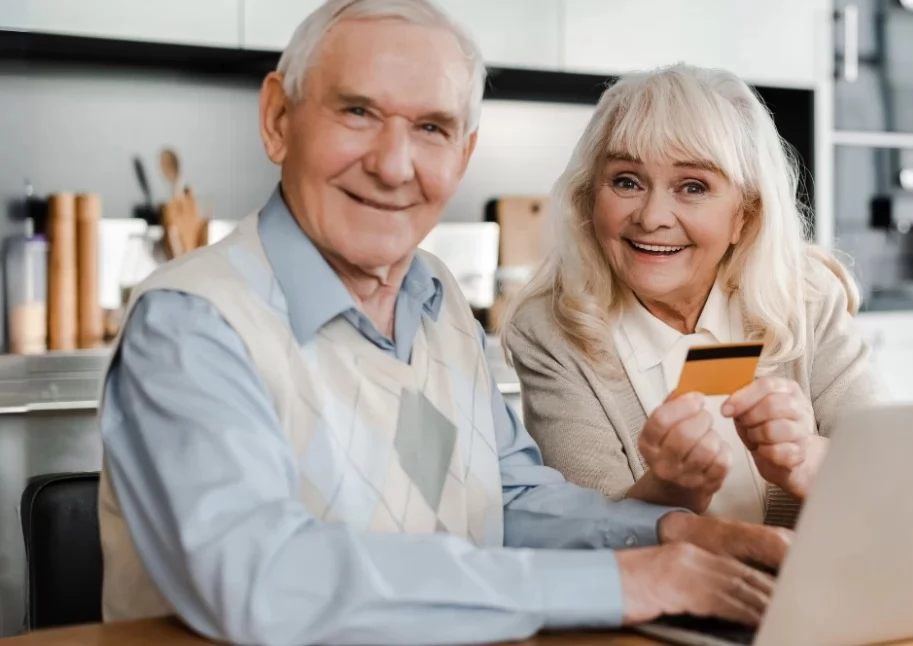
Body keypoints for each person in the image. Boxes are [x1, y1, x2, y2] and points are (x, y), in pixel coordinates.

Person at [96, 2, 791, 645]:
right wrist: (625, 579)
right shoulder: (192, 323)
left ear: (463, 152)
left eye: (431, 128)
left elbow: (509, 500)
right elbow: (263, 577)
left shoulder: (436, 298)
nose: (395, 165)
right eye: (358, 113)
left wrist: (670, 533)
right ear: (278, 119)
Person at [502, 64, 887, 527]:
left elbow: (893, 476)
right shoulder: (551, 329)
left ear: (744, 215)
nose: (652, 216)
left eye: (693, 187)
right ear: (588, 198)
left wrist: (809, 461)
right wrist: (668, 490)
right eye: (627, 181)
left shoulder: (804, 295)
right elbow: (587, 535)